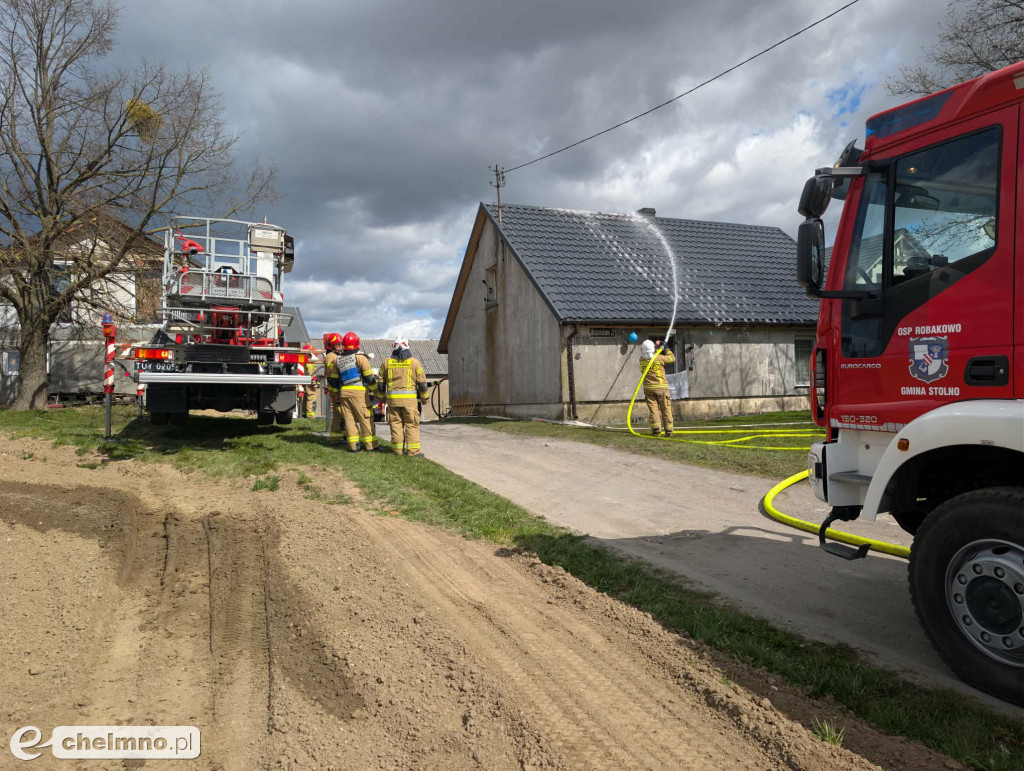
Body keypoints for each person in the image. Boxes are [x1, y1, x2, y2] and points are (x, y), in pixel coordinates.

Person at [377, 337, 429, 456]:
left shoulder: (386, 362)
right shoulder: (414, 363)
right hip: (409, 402)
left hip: (393, 402)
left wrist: (381, 398)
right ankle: (413, 452)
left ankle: (397, 451)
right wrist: (425, 398)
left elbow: (380, 384)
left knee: (396, 425)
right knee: (412, 425)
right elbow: (422, 384)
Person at [334, 332, 378, 451]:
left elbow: (334, 379)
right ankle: (371, 446)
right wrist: (376, 392)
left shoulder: (338, 359)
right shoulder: (360, 357)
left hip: (344, 392)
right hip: (358, 392)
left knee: (349, 420)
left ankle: (353, 447)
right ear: (357, 343)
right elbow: (369, 377)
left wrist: (336, 394)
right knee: (365, 418)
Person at [640, 337, 675, 436]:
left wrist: (655, 347)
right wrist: (666, 348)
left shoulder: (641, 359)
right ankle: (669, 430)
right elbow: (672, 358)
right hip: (661, 387)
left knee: (653, 409)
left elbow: (648, 353)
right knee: (665, 408)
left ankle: (656, 429)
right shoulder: (659, 358)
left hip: (648, 388)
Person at [322, 332, 346, 444]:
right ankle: (336, 438)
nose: (341, 347)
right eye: (338, 345)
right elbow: (332, 377)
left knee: (342, 414)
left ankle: (343, 435)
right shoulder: (331, 356)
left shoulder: (336, 355)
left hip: (338, 389)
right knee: (338, 414)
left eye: (341, 344)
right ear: (332, 346)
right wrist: (336, 393)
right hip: (336, 390)